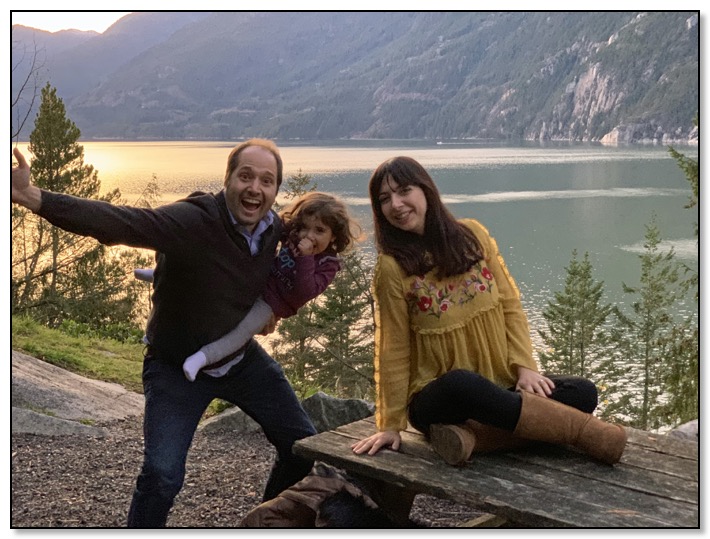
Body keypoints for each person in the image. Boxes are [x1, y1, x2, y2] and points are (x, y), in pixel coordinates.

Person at [11, 140, 318, 527]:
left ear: (275, 191)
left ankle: (267, 524)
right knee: (162, 475)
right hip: (175, 366)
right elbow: (123, 222)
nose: (255, 187)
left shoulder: (275, 230)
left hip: (239, 361)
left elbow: (292, 269)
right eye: (245, 176)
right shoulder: (195, 220)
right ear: (227, 180)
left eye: (267, 180)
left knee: (303, 448)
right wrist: (33, 197)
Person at [351, 156, 627, 466]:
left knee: (582, 392)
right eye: (385, 199)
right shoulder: (391, 268)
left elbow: (510, 305)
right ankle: (591, 435)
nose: (396, 204)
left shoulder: (473, 236)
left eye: (404, 191)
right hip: (439, 398)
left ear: (426, 190)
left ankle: (475, 438)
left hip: (497, 384)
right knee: (462, 382)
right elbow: (393, 348)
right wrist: (390, 424)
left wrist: (525, 367)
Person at [180, 192, 359, 381]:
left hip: (271, 304)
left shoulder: (328, 264)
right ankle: (162, 274)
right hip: (257, 280)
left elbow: (304, 292)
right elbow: (270, 225)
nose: (308, 235)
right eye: (305, 227)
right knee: (219, 279)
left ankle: (202, 358)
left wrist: (305, 258)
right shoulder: (293, 235)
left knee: (243, 330)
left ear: (333, 236)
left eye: (320, 230)